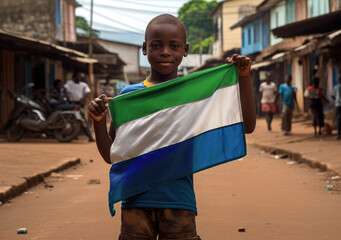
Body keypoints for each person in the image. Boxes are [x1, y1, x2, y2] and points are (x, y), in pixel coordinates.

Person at [88, 14, 256, 240]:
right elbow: (111, 156)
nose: (165, 51)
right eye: (156, 45)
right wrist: (98, 122)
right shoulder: (130, 97)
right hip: (135, 201)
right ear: (144, 48)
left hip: (179, 201)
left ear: (185, 50)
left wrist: (243, 77)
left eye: (174, 46)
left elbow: (247, 125)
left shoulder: (195, 96)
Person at [64, 72, 95, 142]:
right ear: (74, 77)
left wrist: (82, 99)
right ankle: (68, 135)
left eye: (80, 76)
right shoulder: (70, 83)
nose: (79, 78)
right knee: (69, 119)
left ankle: (90, 136)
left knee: (82, 119)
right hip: (71, 103)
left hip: (79, 104)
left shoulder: (83, 85)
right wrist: (68, 98)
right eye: (78, 76)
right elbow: (65, 89)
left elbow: (87, 92)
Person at [331, 73, 341, 140]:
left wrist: (337, 100)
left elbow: (332, 95)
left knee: (339, 119)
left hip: (338, 105)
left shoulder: (336, 87)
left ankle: (339, 134)